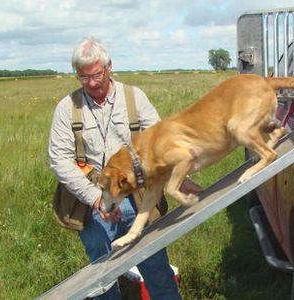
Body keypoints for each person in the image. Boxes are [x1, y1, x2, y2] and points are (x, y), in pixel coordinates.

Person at [48, 37, 199, 299]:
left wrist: (180, 177)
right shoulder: (66, 108)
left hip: (140, 196)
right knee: (101, 275)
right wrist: (97, 200)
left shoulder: (134, 97)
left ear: (109, 67)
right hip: (93, 199)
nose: (91, 83)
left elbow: (160, 142)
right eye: (83, 78)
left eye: (96, 75)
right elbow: (59, 159)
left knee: (156, 267)